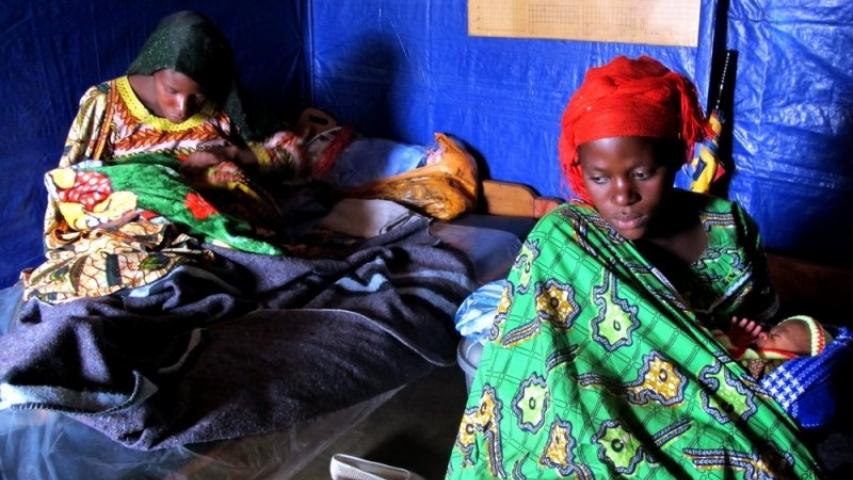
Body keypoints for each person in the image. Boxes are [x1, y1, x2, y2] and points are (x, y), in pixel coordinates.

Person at [446, 56, 821, 478]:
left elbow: (764, 332)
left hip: (716, 414)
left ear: (676, 156)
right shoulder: (569, 240)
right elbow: (531, 364)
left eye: (642, 173)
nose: (622, 195)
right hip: (601, 412)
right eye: (600, 178)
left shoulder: (730, 229)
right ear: (580, 171)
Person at [24, 11, 305, 303]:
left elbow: (293, 160)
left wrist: (231, 154)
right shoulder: (105, 103)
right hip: (131, 229)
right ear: (153, 67)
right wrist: (118, 215)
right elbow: (70, 186)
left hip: (216, 227)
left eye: (197, 96)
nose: (182, 107)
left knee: (221, 264)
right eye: (171, 91)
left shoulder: (227, 103)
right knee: (114, 266)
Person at [715, 315, 833, 377]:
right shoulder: (756, 354)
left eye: (774, 336)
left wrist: (732, 348)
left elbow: (746, 372)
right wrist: (733, 343)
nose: (763, 334)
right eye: (769, 330)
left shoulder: (776, 370)